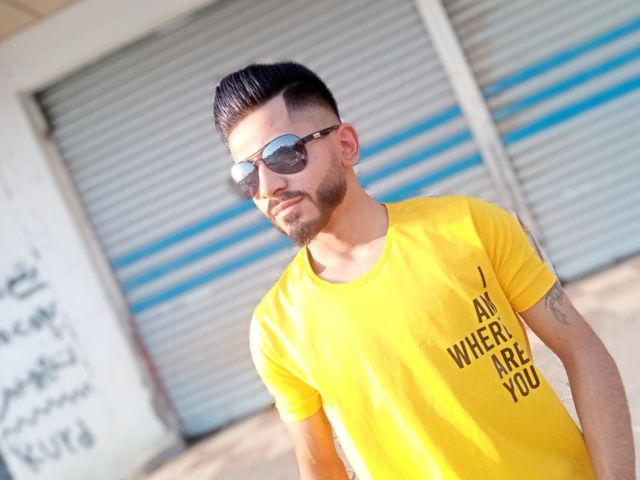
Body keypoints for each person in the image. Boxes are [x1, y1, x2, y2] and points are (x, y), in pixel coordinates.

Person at [212, 62, 634, 480]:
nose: (267, 187)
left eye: (283, 153)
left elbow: (581, 350)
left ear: (346, 145)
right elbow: (321, 468)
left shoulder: (469, 226)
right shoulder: (276, 326)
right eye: (247, 174)